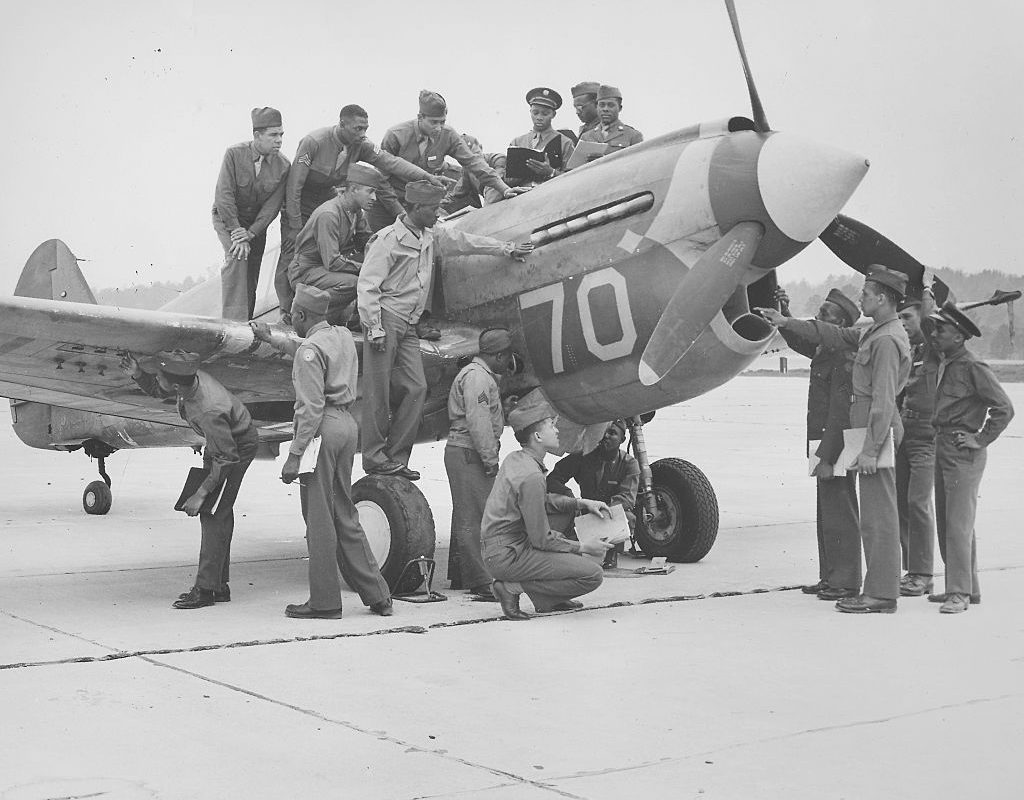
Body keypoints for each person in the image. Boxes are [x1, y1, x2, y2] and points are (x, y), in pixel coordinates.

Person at [757, 266, 911, 614]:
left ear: (883, 298)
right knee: (871, 515)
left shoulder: (886, 339)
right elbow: (823, 334)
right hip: (862, 432)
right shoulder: (874, 333)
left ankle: (880, 594)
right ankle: (868, 588)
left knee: (879, 518)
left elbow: (885, 400)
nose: (863, 297)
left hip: (870, 433)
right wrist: (785, 321)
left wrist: (870, 450)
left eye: (867, 293)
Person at [357, 180, 533, 480]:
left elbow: (465, 241)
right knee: (378, 392)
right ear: (415, 208)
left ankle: (397, 456)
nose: (438, 213)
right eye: (432, 208)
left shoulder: (431, 233)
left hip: (410, 325)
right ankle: (374, 458)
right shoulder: (387, 240)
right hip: (386, 321)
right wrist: (373, 327)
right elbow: (367, 286)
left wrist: (506, 249)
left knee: (417, 388)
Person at [256, 284, 393, 620]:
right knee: (345, 513)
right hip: (347, 426)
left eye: (292, 316)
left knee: (319, 520)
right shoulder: (342, 336)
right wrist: (272, 338)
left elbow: (310, 407)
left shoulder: (309, 352)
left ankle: (325, 602)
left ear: (302, 315)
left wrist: (294, 454)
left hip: (322, 431)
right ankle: (378, 595)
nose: (290, 321)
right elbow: (308, 347)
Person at [274, 104, 445, 320]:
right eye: (357, 128)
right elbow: (294, 186)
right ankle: (286, 311)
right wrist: (294, 226)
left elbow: (391, 162)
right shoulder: (314, 142)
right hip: (301, 205)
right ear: (342, 124)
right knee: (290, 255)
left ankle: (332, 314)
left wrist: (427, 177)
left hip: (328, 197)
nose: (363, 134)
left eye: (366, 128)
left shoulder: (360, 146)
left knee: (338, 252)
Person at [120, 351, 258, 609]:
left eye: (158, 376)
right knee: (219, 512)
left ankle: (206, 590)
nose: (156, 378)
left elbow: (226, 459)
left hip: (235, 449)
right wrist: (138, 375)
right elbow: (163, 389)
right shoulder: (188, 380)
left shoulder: (209, 409)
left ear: (175, 384)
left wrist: (201, 493)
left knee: (212, 513)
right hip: (222, 444)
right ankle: (218, 585)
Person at [480, 389, 614, 620]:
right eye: (551, 425)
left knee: (565, 514)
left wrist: (581, 502)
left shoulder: (518, 458)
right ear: (538, 437)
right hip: (508, 555)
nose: (557, 429)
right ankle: (511, 588)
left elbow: (541, 501)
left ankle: (550, 599)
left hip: (499, 548)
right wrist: (584, 547)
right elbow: (541, 539)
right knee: (592, 574)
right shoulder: (531, 476)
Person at [775, 286, 862, 601]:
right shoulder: (828, 349)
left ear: (839, 323)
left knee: (841, 509)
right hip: (823, 440)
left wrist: (827, 455)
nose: (818, 315)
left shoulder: (844, 352)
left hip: (835, 441)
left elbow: (841, 411)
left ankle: (847, 581)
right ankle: (831, 577)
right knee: (828, 510)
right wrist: (785, 318)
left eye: (825, 313)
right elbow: (801, 339)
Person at [927, 301, 1014, 614]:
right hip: (944, 446)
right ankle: (965, 588)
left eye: (941, 329)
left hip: (962, 452)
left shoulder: (972, 366)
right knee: (949, 521)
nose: (934, 333)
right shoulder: (948, 361)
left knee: (958, 525)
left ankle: (959, 593)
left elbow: (1004, 407)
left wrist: (980, 438)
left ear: (959, 337)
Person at [368, 91, 518, 231]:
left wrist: (504, 188)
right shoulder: (396, 135)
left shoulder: (448, 135)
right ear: (420, 117)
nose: (439, 128)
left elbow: (474, 163)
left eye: (442, 122)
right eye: (434, 122)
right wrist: (400, 213)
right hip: (387, 205)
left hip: (418, 205)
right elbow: (380, 179)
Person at [445, 328, 516, 599]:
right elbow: (478, 421)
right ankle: (481, 581)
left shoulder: (481, 376)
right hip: (469, 452)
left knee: (473, 516)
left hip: (466, 451)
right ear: (498, 355)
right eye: (506, 355)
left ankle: (470, 576)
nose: (509, 360)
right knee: (475, 519)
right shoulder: (477, 378)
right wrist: (490, 459)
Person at [212, 107, 290, 320]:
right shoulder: (234, 154)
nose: (279, 140)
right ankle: (232, 325)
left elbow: (271, 207)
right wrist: (237, 231)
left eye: (281, 135)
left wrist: (252, 233)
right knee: (238, 257)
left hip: (256, 225)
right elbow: (223, 195)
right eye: (273, 135)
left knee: (252, 270)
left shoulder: (283, 166)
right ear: (257, 136)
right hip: (228, 218)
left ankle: (245, 323)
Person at [284, 163, 382, 325]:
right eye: (370, 191)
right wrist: (365, 269)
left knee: (374, 270)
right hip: (306, 271)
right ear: (353, 189)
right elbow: (332, 262)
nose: (374, 198)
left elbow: (368, 241)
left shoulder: (355, 210)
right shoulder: (329, 214)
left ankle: (349, 319)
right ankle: (308, 316)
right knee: (353, 283)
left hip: (322, 269)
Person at [546, 419, 639, 570]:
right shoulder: (583, 456)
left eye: (612, 433)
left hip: (610, 511)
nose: (606, 436)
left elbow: (627, 498)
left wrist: (604, 509)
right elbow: (553, 479)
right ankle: (574, 544)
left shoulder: (629, 464)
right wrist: (570, 497)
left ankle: (611, 551)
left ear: (622, 439)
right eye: (603, 432)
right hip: (585, 510)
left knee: (627, 516)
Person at [895, 295, 941, 597]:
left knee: (918, 503)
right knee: (902, 503)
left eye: (907, 318)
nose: (902, 324)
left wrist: (926, 290)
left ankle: (923, 573)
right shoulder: (906, 350)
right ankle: (912, 570)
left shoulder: (935, 349)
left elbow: (930, 319)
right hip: (903, 435)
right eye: (899, 318)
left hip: (926, 437)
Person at [507, 88, 576, 186]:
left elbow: (573, 178)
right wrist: (523, 171)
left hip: (550, 196)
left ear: (553, 114)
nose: (539, 117)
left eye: (545, 114)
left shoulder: (565, 142)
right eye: (535, 113)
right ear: (530, 112)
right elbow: (508, 180)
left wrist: (551, 172)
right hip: (522, 197)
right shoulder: (517, 142)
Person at [442, 134, 508, 214]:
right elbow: (458, 192)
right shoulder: (467, 170)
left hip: (510, 204)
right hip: (493, 210)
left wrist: (485, 213)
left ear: (480, 147)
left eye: (473, 153)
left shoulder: (498, 159)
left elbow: (493, 188)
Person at [579, 85, 644, 155]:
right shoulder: (586, 137)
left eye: (611, 105)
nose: (605, 109)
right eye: (602, 105)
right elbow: (578, 164)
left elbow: (639, 163)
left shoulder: (633, 136)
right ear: (596, 107)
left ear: (620, 108)